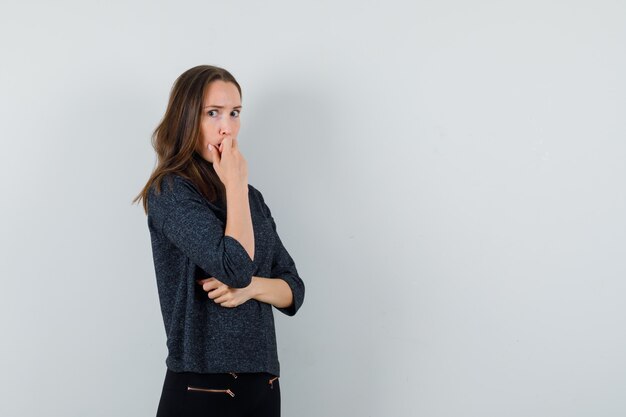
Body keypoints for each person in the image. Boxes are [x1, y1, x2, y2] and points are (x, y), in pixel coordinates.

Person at [133, 65, 305, 417]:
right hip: (203, 386)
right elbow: (234, 266)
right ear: (186, 118)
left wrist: (253, 288)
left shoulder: (251, 199)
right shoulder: (171, 191)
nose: (227, 127)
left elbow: (293, 289)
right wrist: (236, 184)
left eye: (235, 113)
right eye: (213, 113)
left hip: (264, 385)